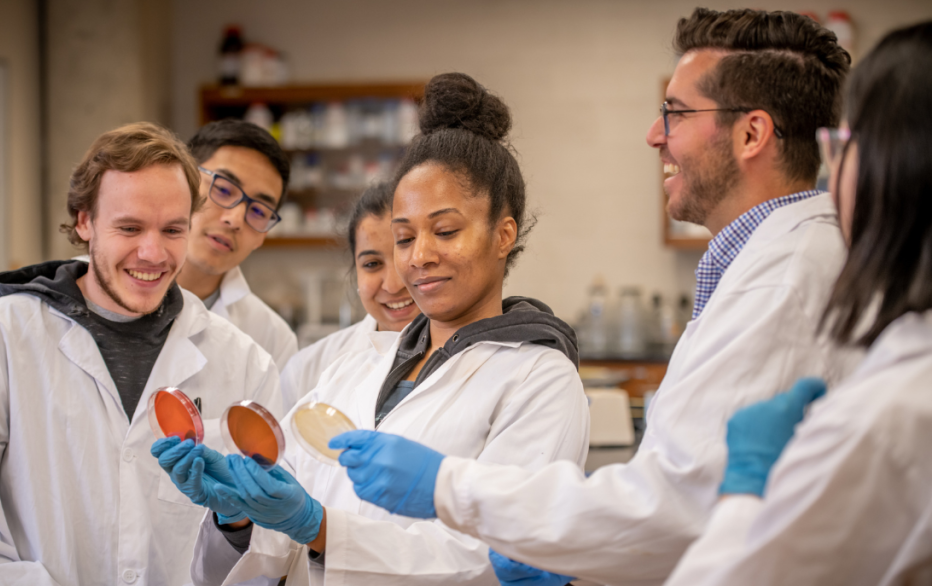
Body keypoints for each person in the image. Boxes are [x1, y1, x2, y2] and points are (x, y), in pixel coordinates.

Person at [331, 8, 863, 585]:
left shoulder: (786, 278)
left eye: (676, 113)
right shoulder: (767, 261)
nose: (654, 134)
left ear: (752, 133)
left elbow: (675, 508)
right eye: (404, 236)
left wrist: (446, 487)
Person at [154, 72, 591, 585]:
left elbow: (494, 561)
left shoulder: (540, 380)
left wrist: (321, 530)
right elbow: (283, 524)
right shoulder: (359, 366)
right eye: (404, 238)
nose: (420, 257)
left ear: (503, 234)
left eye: (445, 231)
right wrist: (239, 517)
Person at [0, 122, 283, 585]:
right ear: (85, 221)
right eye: (129, 227)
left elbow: (267, 548)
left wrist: (237, 525)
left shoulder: (245, 362)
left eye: (172, 229)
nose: (152, 252)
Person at [664, 21, 932, 586]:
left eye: (848, 144)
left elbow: (722, 564)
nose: (655, 136)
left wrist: (745, 489)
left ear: (899, 171)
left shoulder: (894, 407)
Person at [279, 181, 421, 412]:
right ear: (355, 271)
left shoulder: (471, 360)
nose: (393, 285)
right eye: (372, 264)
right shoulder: (306, 369)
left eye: (405, 257)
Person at [177, 119, 299, 369]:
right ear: (182, 180)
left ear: (262, 235)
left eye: (258, 211)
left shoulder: (272, 338)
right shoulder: (92, 287)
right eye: (223, 189)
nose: (235, 219)